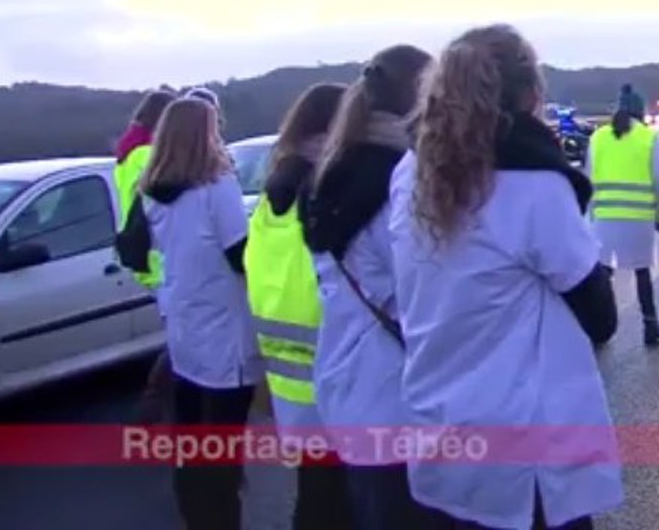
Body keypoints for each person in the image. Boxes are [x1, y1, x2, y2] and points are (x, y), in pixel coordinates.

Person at [396, 24, 621, 529]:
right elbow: (600, 316)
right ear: (529, 95)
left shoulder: (409, 174)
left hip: (441, 430)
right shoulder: (532, 184)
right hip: (525, 453)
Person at [299, 45, 432, 526]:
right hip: (393, 394)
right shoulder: (398, 180)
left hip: (346, 382)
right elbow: (421, 290)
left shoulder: (330, 176)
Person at [119, 97, 260, 529]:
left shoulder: (151, 192)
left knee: (192, 438)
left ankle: (196, 516)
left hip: (185, 324)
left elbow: (140, 250)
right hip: (224, 330)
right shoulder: (216, 187)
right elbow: (240, 255)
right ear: (205, 135)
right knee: (223, 445)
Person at [243, 82, 352, 530]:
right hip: (335, 377)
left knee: (316, 495)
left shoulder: (271, 201)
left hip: (291, 383)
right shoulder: (327, 193)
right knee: (341, 503)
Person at [588, 84, 659, 345]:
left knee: (604, 273)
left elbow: (589, 176)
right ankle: (651, 326)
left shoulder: (598, 136)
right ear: (641, 111)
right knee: (642, 272)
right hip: (637, 218)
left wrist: (592, 216)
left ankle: (596, 326)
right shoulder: (650, 139)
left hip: (604, 217)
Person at [113, 90, 175, 423]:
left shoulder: (127, 155)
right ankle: (154, 402)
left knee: (180, 331)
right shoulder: (149, 155)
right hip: (159, 256)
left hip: (142, 254)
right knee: (184, 337)